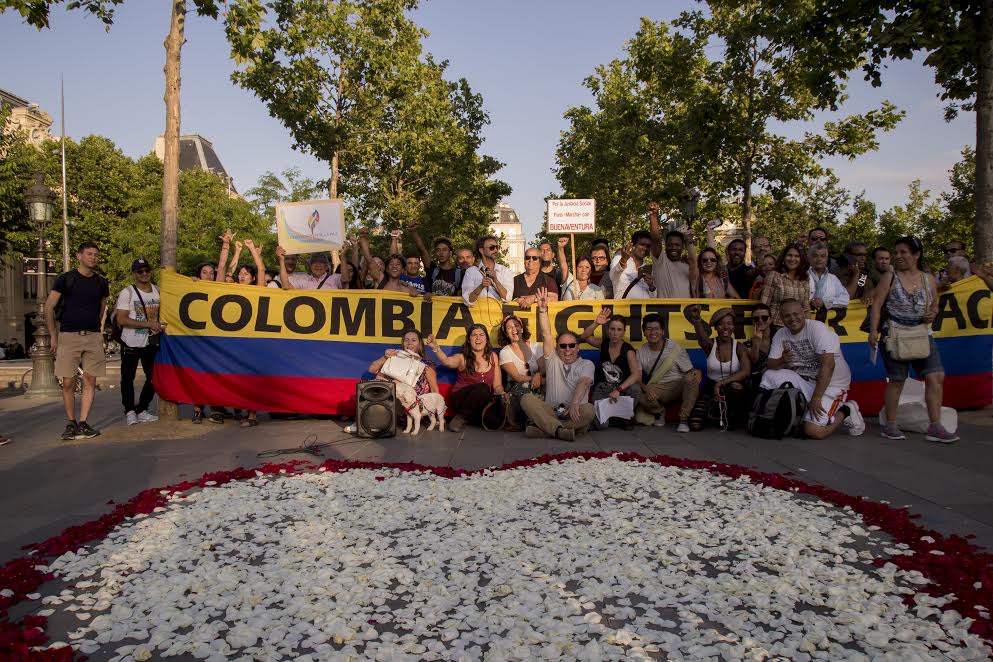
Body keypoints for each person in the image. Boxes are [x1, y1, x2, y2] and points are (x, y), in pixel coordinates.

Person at [869, 237, 958, 443]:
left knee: (936, 376)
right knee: (897, 379)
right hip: (896, 332)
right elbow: (876, 304)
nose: (898, 257)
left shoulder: (928, 279)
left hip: (922, 333)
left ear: (916, 255)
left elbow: (935, 303)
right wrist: (873, 331)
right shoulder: (890, 277)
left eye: (903, 252)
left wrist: (933, 313)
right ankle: (890, 425)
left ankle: (935, 426)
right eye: (897, 252)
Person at [761, 299, 865, 439]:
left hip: (831, 385)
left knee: (813, 431)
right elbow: (770, 364)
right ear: (781, 318)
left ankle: (846, 409)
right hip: (805, 381)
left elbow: (828, 366)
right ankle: (772, 416)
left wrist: (816, 398)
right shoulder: (781, 334)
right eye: (787, 316)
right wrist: (781, 360)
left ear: (804, 313)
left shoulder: (817, 329)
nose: (792, 319)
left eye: (795, 314)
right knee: (769, 375)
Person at [44, 241, 110, 441]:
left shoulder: (101, 282)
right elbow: (49, 308)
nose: (93, 258)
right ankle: (71, 421)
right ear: (79, 256)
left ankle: (83, 422)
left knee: (90, 379)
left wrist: (98, 330)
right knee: (68, 381)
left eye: (96, 255)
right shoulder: (66, 279)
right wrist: (53, 335)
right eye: (89, 254)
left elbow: (102, 308)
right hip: (68, 335)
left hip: (92, 336)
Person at [519, 287, 595, 441]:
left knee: (589, 410)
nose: (567, 349)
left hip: (574, 412)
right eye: (563, 346)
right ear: (557, 348)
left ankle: (547, 429)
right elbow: (547, 334)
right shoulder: (552, 359)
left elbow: (584, 382)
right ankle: (560, 430)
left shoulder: (587, 364)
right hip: (552, 411)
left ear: (578, 347)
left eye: (571, 345)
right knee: (526, 399)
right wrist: (542, 310)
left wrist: (574, 404)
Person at [426, 324, 503, 432]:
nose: (478, 338)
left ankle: (469, 418)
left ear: (486, 339)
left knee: (494, 422)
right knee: (483, 388)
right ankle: (460, 418)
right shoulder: (462, 357)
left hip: (483, 402)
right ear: (468, 339)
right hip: (461, 398)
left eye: (481, 335)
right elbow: (447, 362)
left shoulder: (493, 356)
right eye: (474, 335)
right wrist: (436, 348)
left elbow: (497, 385)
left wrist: (502, 396)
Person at [686, 307, 752, 430]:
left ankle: (729, 414)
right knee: (694, 424)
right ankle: (715, 411)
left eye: (729, 324)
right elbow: (701, 337)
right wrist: (697, 320)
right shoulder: (710, 344)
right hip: (710, 387)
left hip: (730, 387)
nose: (725, 327)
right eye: (721, 324)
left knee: (736, 387)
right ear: (715, 328)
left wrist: (720, 384)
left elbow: (745, 371)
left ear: (734, 327)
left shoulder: (739, 347)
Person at [115, 258, 163, 426]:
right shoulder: (127, 292)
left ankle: (142, 408)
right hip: (131, 342)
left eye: (147, 270)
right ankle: (129, 410)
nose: (144, 274)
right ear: (134, 273)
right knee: (127, 378)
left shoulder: (157, 291)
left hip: (151, 342)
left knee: (154, 378)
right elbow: (121, 319)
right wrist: (148, 324)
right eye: (140, 271)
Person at [634, 313, 700, 432]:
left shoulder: (675, 348)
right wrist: (646, 388)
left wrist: (697, 372)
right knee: (638, 393)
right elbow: (637, 378)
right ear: (644, 332)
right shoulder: (640, 352)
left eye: (656, 329)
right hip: (659, 388)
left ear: (663, 331)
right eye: (649, 329)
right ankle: (660, 412)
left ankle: (684, 419)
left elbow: (690, 371)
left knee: (691, 379)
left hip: (677, 386)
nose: (653, 332)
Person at [580, 308, 641, 430]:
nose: (615, 333)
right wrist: (596, 323)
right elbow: (584, 336)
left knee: (635, 388)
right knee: (601, 425)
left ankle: (625, 417)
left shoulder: (628, 350)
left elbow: (635, 375)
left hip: (622, 389)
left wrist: (618, 389)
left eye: (619, 330)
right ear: (608, 330)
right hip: (604, 387)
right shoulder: (603, 343)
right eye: (612, 329)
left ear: (623, 332)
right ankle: (613, 419)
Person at [498, 314, 541, 432]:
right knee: (524, 389)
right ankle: (530, 422)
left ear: (522, 328)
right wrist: (533, 378)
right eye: (509, 327)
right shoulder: (505, 352)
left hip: (539, 381)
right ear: (506, 333)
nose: (514, 329)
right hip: (518, 386)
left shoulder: (536, 346)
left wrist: (538, 375)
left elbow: (544, 368)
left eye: (516, 326)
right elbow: (516, 376)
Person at [367, 329, 439, 398]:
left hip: (416, 404)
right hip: (393, 400)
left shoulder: (426, 364)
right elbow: (372, 369)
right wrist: (385, 357)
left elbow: (434, 389)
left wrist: (437, 407)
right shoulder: (394, 356)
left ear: (419, 344)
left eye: (413, 340)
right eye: (406, 340)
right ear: (403, 343)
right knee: (380, 376)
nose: (409, 343)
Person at [648, 201, 695, 298]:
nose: (674, 247)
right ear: (665, 246)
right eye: (670, 244)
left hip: (686, 312)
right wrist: (653, 215)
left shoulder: (688, 265)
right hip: (664, 312)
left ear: (683, 247)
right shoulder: (660, 261)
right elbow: (656, 239)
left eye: (677, 245)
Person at [760, 243, 811, 329]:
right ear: (784, 257)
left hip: (797, 328)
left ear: (801, 259)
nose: (792, 259)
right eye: (789, 255)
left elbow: (805, 308)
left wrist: (807, 329)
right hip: (776, 326)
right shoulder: (774, 275)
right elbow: (764, 305)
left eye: (797, 256)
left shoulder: (804, 279)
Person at [408, 223, 464, 296]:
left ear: (450, 253)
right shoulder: (432, 270)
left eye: (444, 250)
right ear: (435, 253)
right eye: (438, 250)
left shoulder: (460, 273)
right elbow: (422, 251)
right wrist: (414, 232)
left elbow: (460, 297)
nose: (441, 253)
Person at [462, 236, 513, 305]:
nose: (496, 250)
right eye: (492, 248)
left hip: (498, 315)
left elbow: (508, 298)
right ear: (481, 250)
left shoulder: (505, 271)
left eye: (497, 247)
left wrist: (496, 281)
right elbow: (467, 300)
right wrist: (481, 286)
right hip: (477, 314)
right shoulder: (471, 272)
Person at [611, 232, 657, 299]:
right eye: (642, 244)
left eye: (648, 246)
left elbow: (653, 298)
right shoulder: (618, 259)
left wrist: (651, 287)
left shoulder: (649, 269)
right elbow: (613, 276)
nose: (645, 248)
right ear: (633, 245)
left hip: (643, 308)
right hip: (623, 308)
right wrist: (623, 260)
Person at [273, 247, 340, 290]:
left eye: (321, 262)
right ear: (310, 266)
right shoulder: (305, 281)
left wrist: (343, 256)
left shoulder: (336, 278)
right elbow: (286, 286)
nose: (317, 265)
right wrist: (281, 259)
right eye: (314, 262)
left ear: (326, 266)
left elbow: (347, 279)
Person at [808, 243, 850, 311]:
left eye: (823, 256)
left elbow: (845, 299)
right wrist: (810, 302)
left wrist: (825, 302)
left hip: (826, 319)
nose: (819, 259)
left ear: (827, 259)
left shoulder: (833, 279)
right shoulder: (801, 276)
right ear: (809, 258)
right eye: (815, 256)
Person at [746, 303, 773, 385]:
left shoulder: (778, 337)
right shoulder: (747, 344)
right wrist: (756, 343)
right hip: (757, 381)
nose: (760, 321)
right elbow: (754, 361)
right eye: (756, 318)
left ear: (771, 319)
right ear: (752, 321)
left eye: (764, 318)